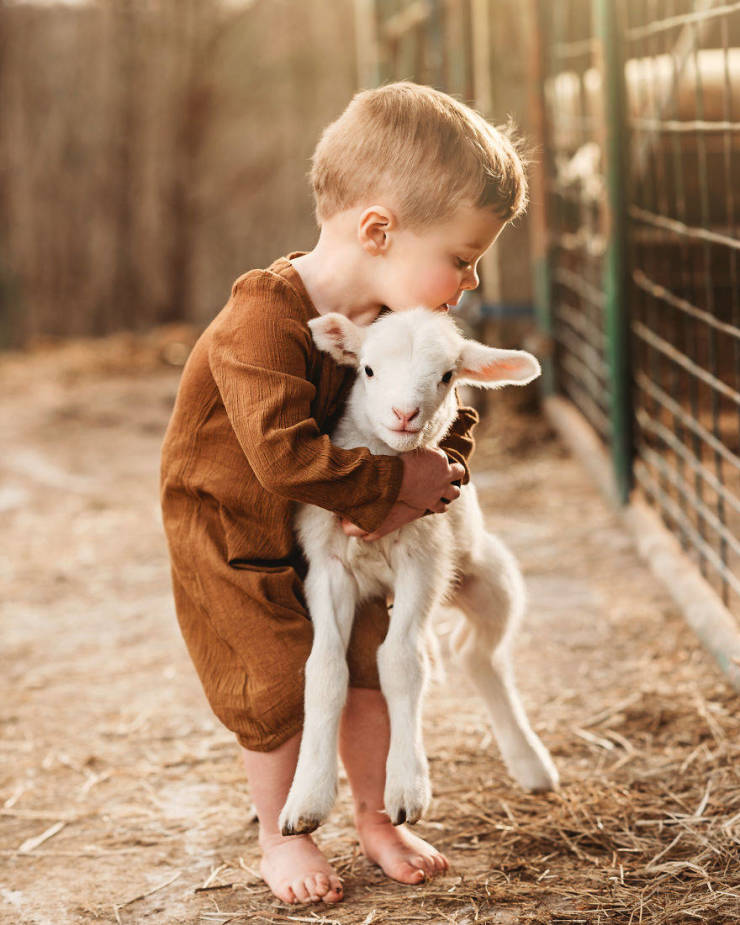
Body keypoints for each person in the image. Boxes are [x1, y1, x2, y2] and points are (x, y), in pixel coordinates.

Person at [160, 81, 527, 906]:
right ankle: (282, 833)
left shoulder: (393, 323)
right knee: (278, 673)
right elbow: (284, 457)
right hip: (237, 532)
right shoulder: (265, 317)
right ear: (378, 230)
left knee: (369, 651)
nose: (466, 284)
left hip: (335, 522)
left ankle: (375, 814)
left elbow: (443, 412)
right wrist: (395, 490)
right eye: (462, 258)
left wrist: (441, 470)